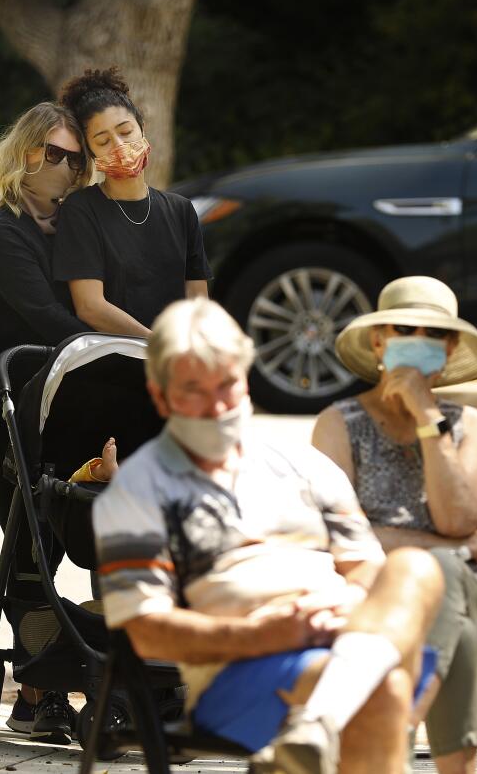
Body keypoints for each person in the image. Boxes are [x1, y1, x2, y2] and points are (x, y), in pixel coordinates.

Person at [93, 297, 443, 773]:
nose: (217, 406)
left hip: (341, 637)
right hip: (237, 670)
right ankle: (314, 728)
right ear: (161, 395)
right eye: (194, 389)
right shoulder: (138, 490)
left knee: (416, 568)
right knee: (388, 685)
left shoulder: (304, 465)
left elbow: (366, 568)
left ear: (247, 380)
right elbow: (148, 632)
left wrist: (346, 605)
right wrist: (261, 633)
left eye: (227, 385)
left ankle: (313, 727)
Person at [312, 276, 477, 774]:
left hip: (460, 590)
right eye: (406, 328)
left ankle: (392, 724)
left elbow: (459, 515)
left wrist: (426, 416)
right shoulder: (338, 422)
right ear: (379, 340)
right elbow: (333, 538)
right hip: (368, 589)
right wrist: (447, 546)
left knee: (444, 576)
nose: (421, 340)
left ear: (451, 345)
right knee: (444, 567)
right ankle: (439, 757)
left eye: (434, 333)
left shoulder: (469, 424)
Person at [0, 101, 91, 742]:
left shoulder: (81, 225)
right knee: (34, 545)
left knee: (85, 531)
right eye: (53, 153)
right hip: (6, 405)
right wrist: (113, 346)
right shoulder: (2, 232)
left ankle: (95, 675)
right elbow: (46, 316)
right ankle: (40, 690)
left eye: (75, 156)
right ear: (24, 154)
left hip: (76, 401)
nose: (65, 167)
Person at [55, 67, 211, 336]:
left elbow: (197, 300)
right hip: (114, 364)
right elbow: (90, 307)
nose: (119, 145)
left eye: (125, 132)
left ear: (142, 128)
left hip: (175, 365)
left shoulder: (181, 210)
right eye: (103, 141)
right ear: (91, 153)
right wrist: (155, 346)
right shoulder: (80, 210)